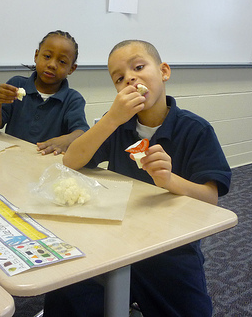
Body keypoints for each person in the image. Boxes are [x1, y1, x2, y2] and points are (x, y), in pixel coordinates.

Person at [43, 40, 232, 317]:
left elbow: (210, 198)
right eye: (119, 79)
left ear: (164, 71)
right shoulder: (119, 126)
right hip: (116, 239)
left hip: (171, 249)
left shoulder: (196, 130)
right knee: (64, 295)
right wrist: (111, 120)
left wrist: (169, 180)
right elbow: (71, 161)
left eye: (139, 67)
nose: (130, 78)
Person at [0, 30, 89, 155]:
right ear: (36, 56)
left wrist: (66, 140)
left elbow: (81, 132)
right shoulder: (16, 84)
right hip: (11, 159)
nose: (52, 65)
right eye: (47, 56)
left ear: (72, 69)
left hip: (47, 166)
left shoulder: (73, 99)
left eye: (62, 62)